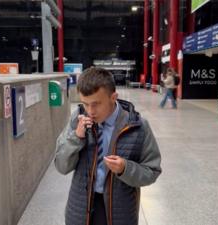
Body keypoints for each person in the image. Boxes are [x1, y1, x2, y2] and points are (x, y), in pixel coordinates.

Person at [55, 67, 162, 225]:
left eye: (96, 104)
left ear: (113, 97)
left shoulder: (138, 126)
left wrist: (125, 168)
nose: (90, 111)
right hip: (81, 208)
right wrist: (76, 137)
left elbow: (152, 171)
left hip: (120, 211)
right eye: (85, 104)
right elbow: (61, 166)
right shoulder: (77, 120)